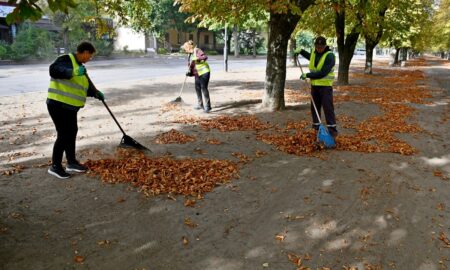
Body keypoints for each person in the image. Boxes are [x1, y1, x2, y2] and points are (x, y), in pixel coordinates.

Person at [47, 41, 105, 179]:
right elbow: (53, 70)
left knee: (72, 131)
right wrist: (72, 72)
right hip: (57, 104)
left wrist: (96, 93)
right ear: (84, 52)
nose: (90, 59)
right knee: (63, 134)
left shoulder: (81, 68)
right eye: (90, 56)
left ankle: (71, 162)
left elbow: (84, 86)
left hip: (70, 107)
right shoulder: (66, 59)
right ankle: (55, 166)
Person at [299, 36, 338, 137]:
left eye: (321, 47)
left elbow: (323, 73)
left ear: (325, 46)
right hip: (314, 86)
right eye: (317, 46)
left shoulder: (330, 56)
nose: (319, 48)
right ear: (315, 45)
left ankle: (332, 130)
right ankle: (316, 128)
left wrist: (307, 75)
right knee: (314, 107)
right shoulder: (314, 53)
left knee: (328, 108)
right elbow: (310, 56)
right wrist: (301, 51)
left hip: (325, 87)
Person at [182, 40, 212, 113]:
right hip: (197, 73)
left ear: (188, 48)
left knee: (203, 88)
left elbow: (205, 57)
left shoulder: (197, 50)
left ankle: (208, 106)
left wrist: (198, 58)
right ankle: (200, 104)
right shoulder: (189, 55)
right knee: (197, 88)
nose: (185, 51)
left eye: (185, 49)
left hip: (204, 71)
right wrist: (189, 73)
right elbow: (191, 66)